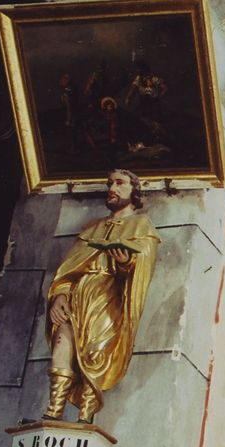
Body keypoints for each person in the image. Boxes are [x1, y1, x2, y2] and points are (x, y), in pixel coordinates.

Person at [44, 169, 159, 423]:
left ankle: (85, 418)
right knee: (62, 347)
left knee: (97, 355)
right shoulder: (92, 227)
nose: (112, 188)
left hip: (108, 298)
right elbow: (68, 268)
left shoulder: (141, 226)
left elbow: (142, 266)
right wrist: (60, 294)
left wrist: (126, 262)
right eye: (110, 183)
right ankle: (53, 412)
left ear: (134, 190)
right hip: (77, 295)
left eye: (120, 183)